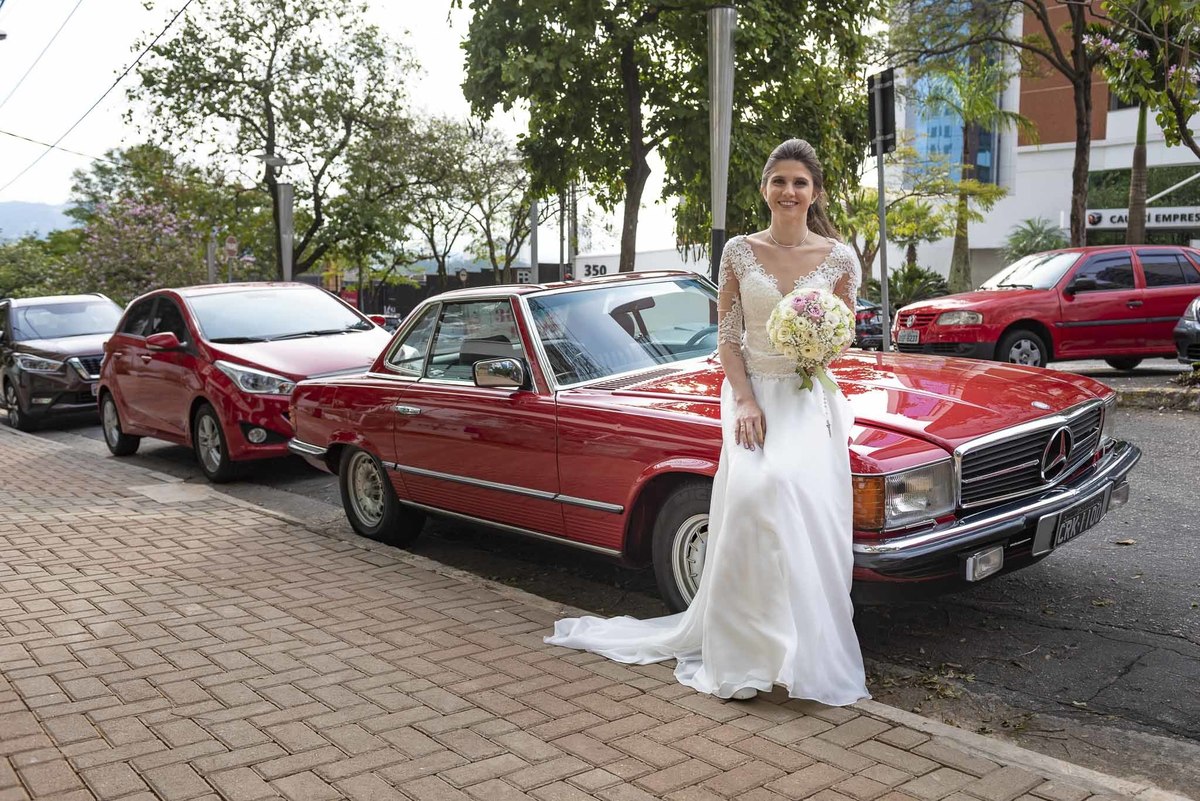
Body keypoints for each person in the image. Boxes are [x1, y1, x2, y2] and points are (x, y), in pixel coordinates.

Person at [546, 139, 869, 706]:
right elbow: (727, 338)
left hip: (808, 398)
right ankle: (743, 657)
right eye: (779, 181)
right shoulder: (740, 253)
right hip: (752, 396)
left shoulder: (840, 258)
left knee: (804, 512)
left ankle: (805, 653)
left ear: (814, 192)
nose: (789, 192)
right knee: (749, 500)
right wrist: (745, 401)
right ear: (764, 188)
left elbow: (844, 332)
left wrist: (817, 349)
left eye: (800, 182)